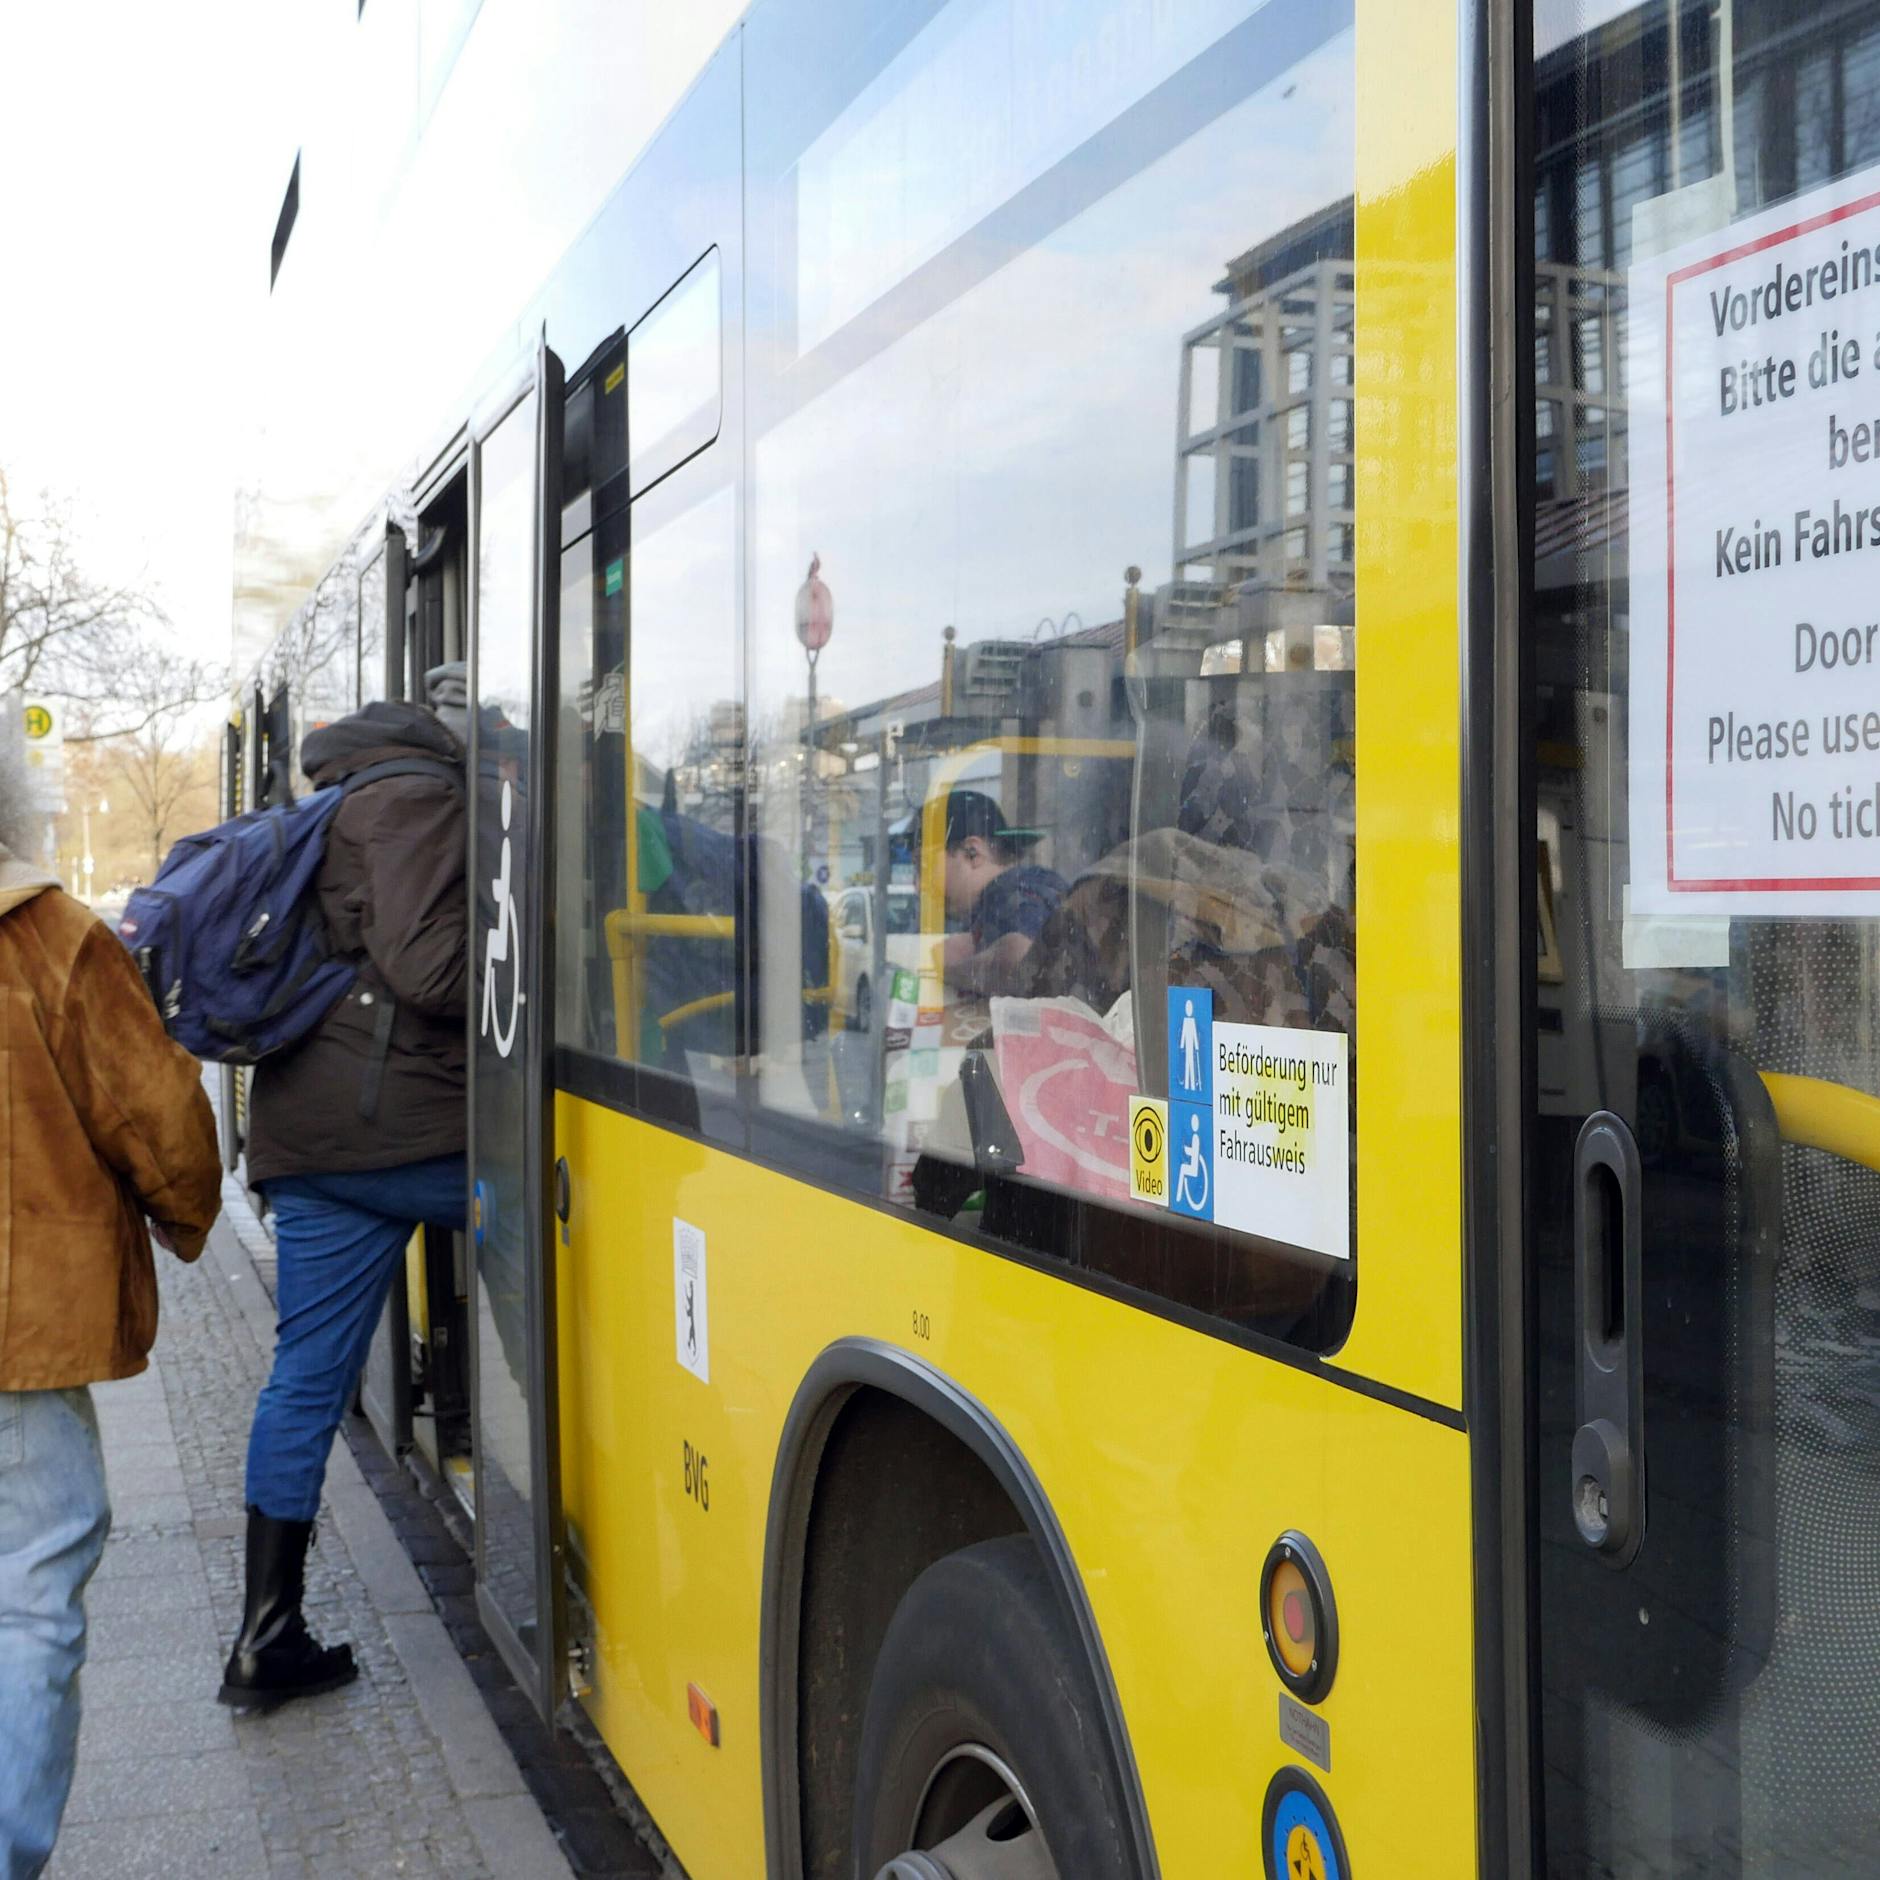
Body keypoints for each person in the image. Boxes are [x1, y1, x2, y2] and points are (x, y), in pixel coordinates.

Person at [225, 690, 468, 1711]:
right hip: (405, 1129)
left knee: (304, 1379)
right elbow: (429, 967)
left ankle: (264, 1637)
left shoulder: (332, 800)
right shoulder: (420, 795)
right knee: (572, 1213)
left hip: (312, 1132)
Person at [0, 762, 221, 1875]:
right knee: (31, 1593)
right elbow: (159, 1112)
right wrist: (186, 1214)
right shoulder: (47, 936)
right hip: (17, 1335)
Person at [937, 788, 1068, 997]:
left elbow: (1020, 958)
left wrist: (948, 969)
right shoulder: (1024, 889)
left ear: (972, 853)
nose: (918, 884)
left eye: (924, 866)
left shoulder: (1009, 894)